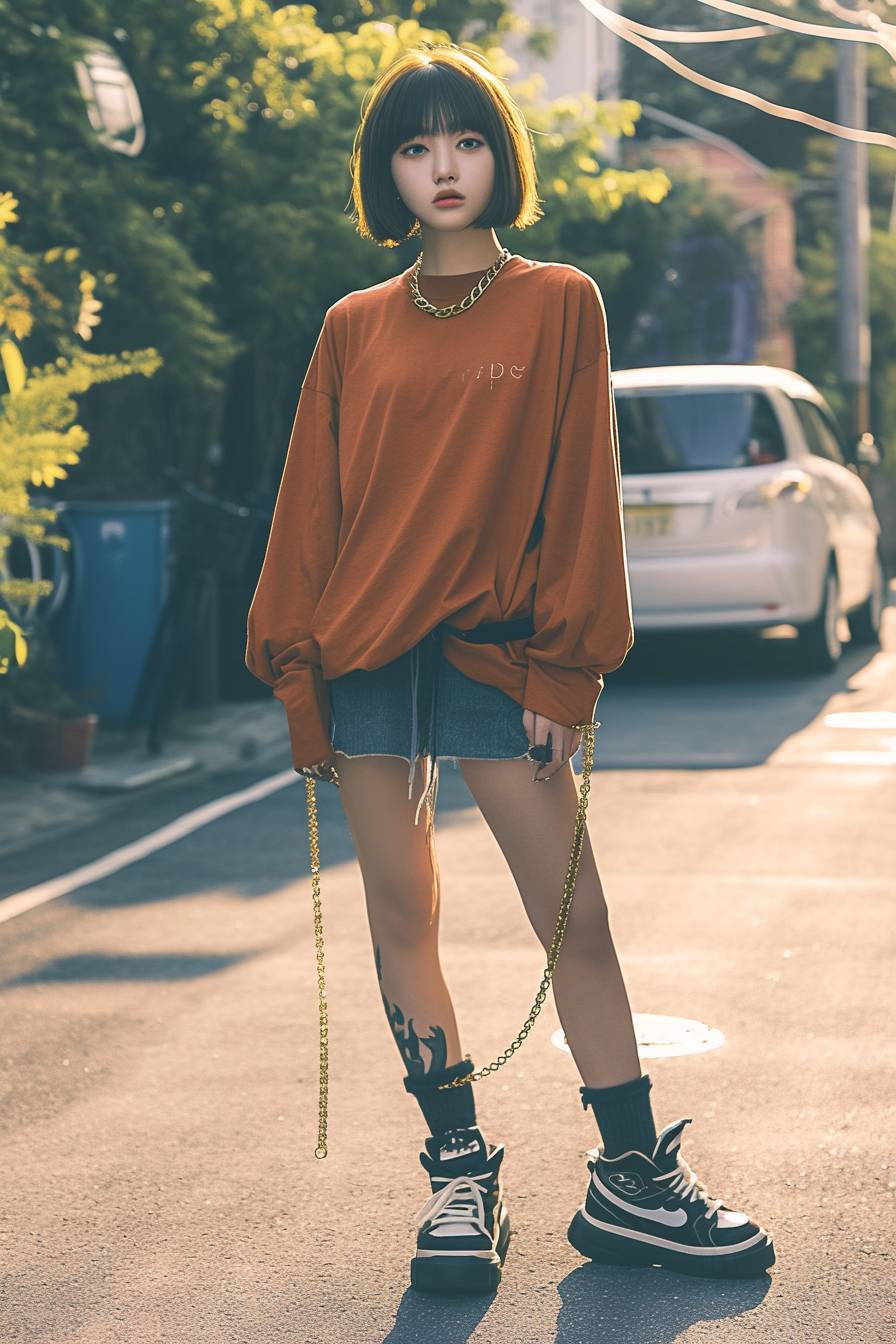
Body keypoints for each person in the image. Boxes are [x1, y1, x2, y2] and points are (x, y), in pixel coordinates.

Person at [245, 41, 775, 1295]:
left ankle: (632, 1180)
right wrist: (296, 677)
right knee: (400, 915)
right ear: (387, 170)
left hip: (499, 653)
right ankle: (458, 1180)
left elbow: (578, 499)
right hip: (364, 653)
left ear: (499, 158)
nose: (443, 166)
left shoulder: (559, 303)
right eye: (416, 146)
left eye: (466, 141)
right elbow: (307, 514)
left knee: (572, 916)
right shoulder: (350, 325)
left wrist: (563, 675)